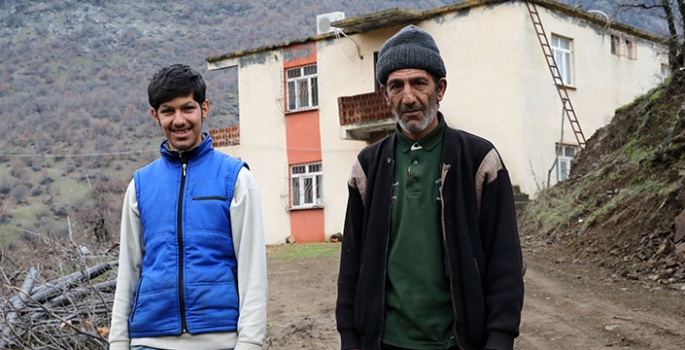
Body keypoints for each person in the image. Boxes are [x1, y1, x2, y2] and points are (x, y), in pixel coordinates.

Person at [335, 25, 524, 350]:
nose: (408, 97)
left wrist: (500, 338)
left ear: (441, 88)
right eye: (396, 85)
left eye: (419, 83)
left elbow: (504, 262)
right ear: (385, 95)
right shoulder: (367, 167)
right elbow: (351, 265)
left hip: (458, 343)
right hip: (385, 342)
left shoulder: (479, 161)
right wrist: (350, 339)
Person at [109, 64, 267, 350]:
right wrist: (119, 343)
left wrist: (250, 343)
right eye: (168, 111)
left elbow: (252, 270)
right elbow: (128, 272)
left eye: (187, 108)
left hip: (220, 341)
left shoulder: (236, 179)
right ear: (155, 116)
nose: (179, 120)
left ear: (204, 109)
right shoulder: (140, 186)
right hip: (150, 342)